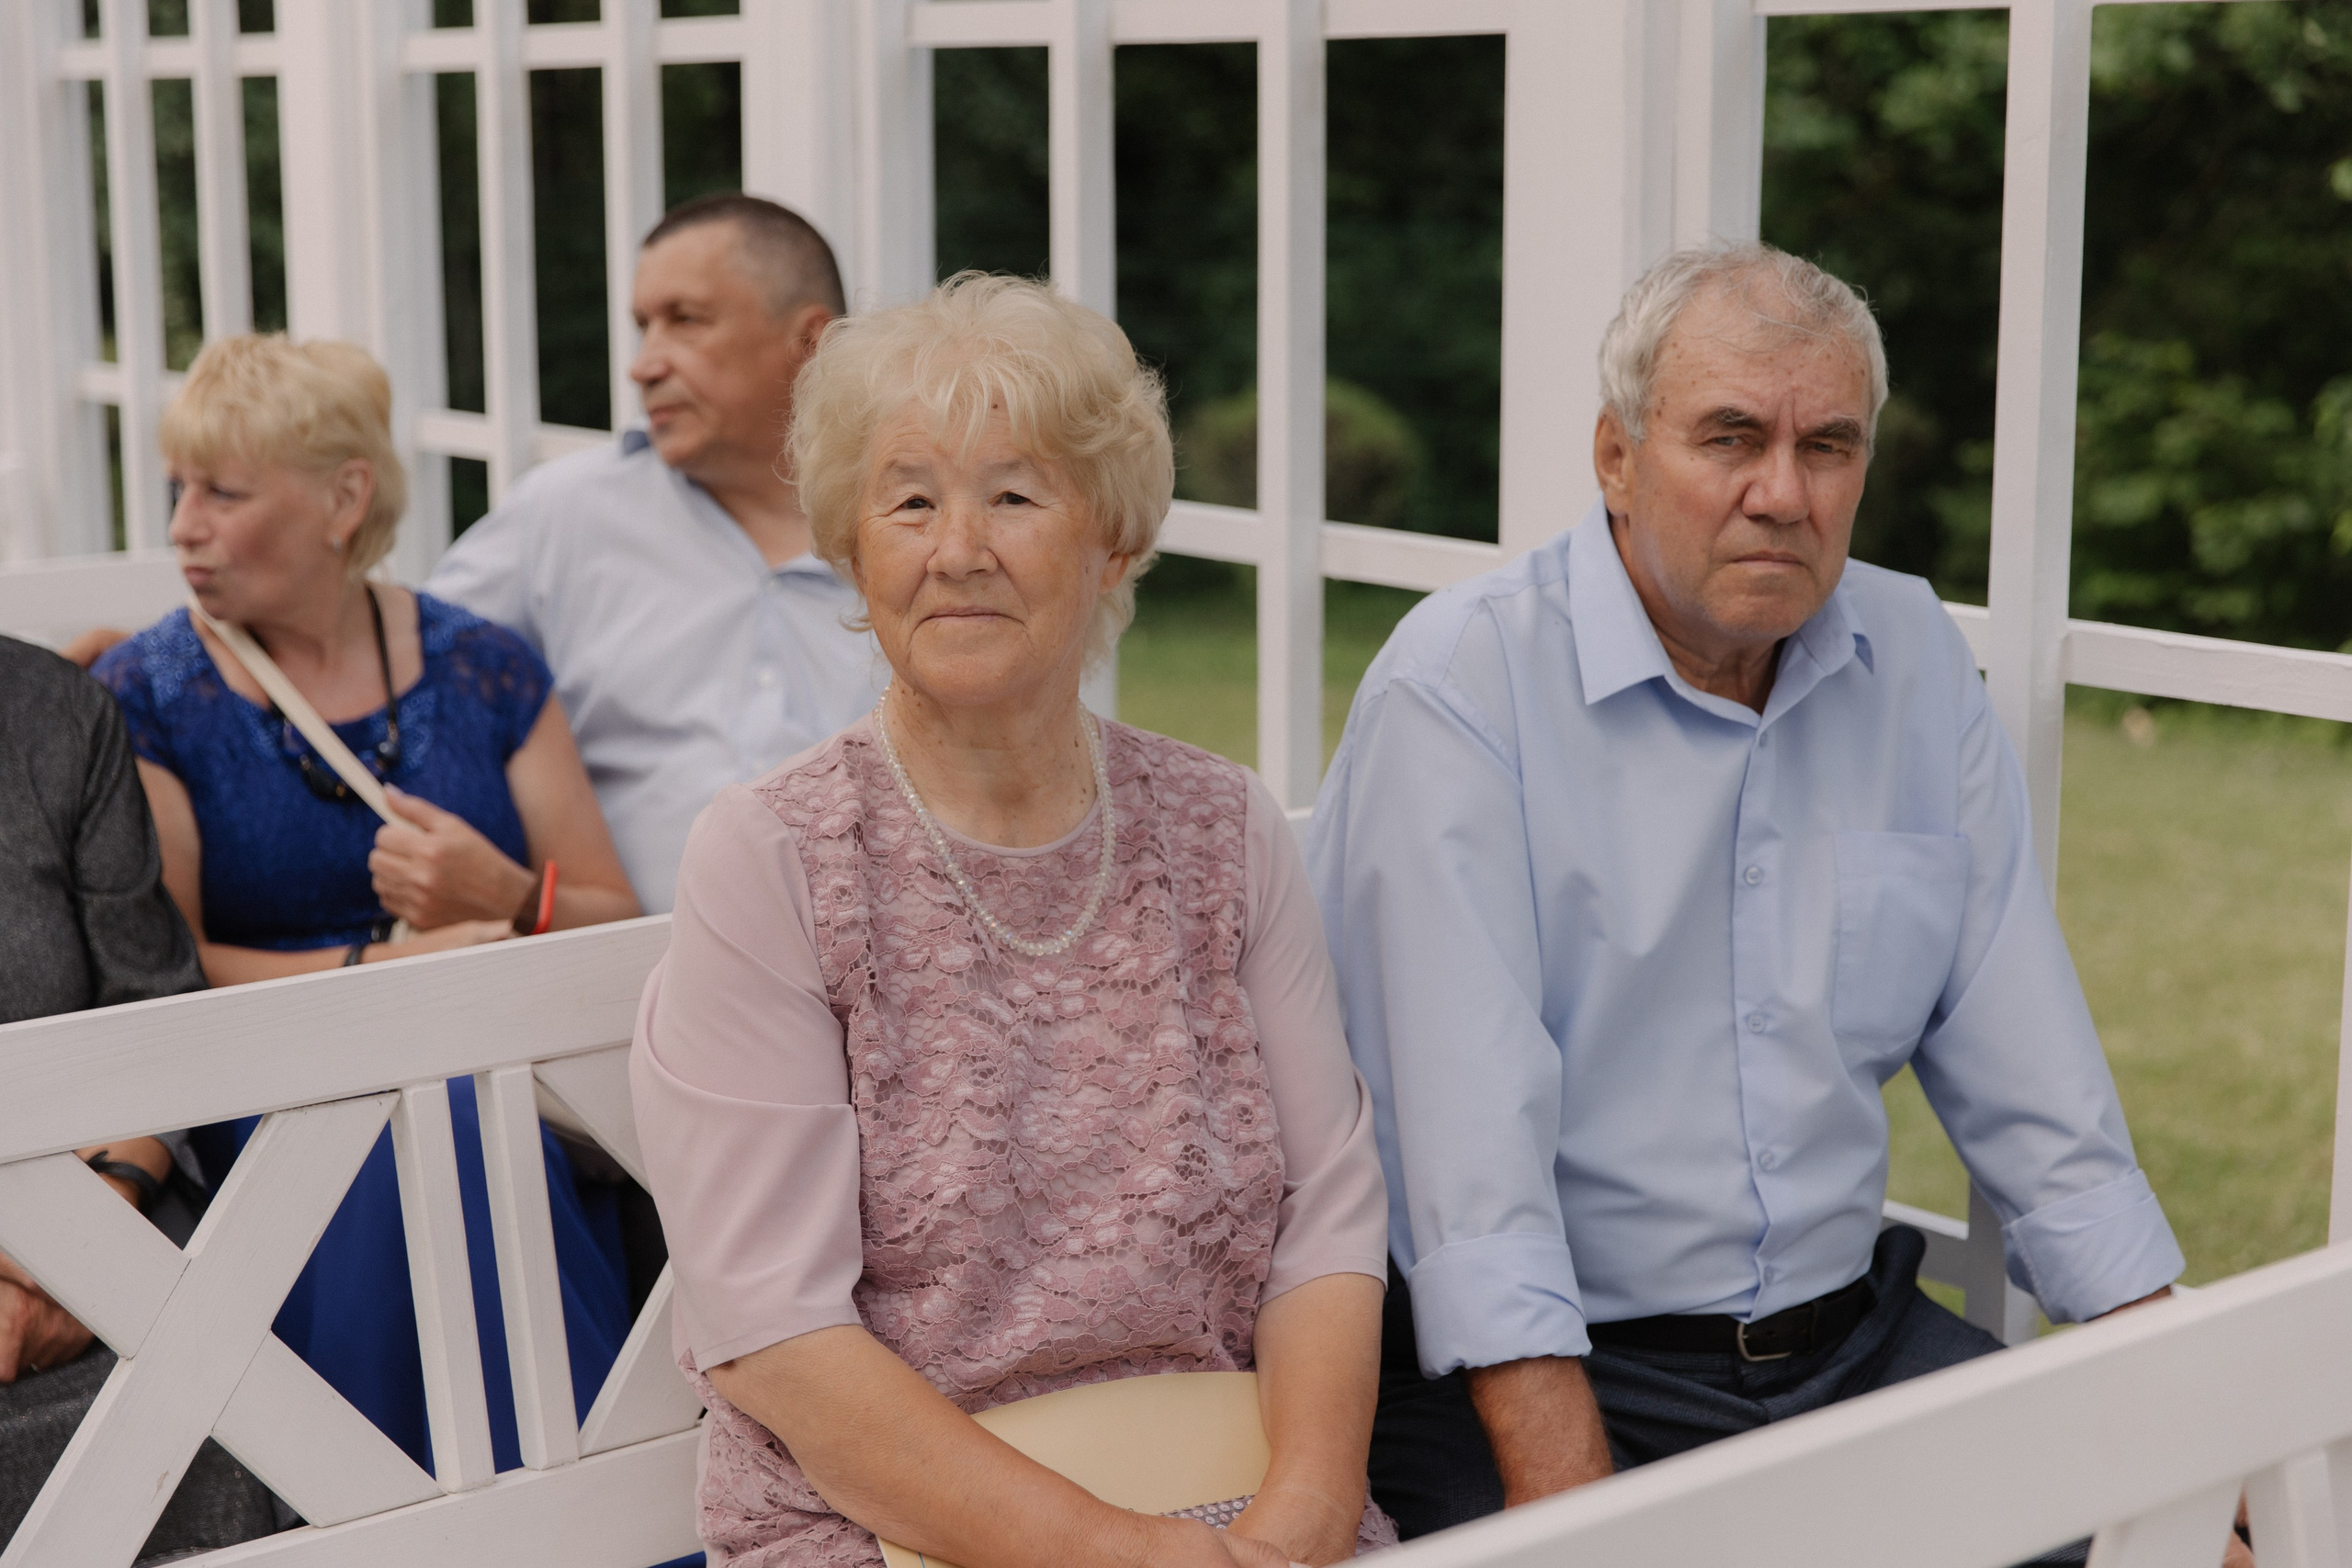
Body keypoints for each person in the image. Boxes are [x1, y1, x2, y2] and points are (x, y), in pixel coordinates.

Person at [1307, 243, 2223, 1565]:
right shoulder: (1464, 686)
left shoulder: (1911, 658)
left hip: (1856, 1350)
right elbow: (1467, 1164)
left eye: (1828, 446)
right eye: (1729, 437)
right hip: (1553, 1372)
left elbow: (2040, 1100)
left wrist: (2192, 1424)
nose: (1782, 493)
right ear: (1616, 458)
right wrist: (1576, 1512)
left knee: (2202, 1550)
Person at [630, 274, 1396, 1567]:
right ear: (854, 549)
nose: (958, 547)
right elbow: (775, 1333)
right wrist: (1128, 1554)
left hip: (1233, 1488)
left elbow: (1327, 1216)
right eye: (911, 498)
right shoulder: (775, 856)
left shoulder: (1219, 825)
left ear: (1115, 543)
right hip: (881, 1523)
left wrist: (1308, 1516)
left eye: (1017, 494)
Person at [91, 333, 639, 1475]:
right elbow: (169, 960)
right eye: (178, 489)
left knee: (456, 1117)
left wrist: (506, 894)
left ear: (344, 500)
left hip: (497, 1088)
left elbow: (615, 920)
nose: (183, 525)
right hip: (265, 1088)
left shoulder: (481, 668)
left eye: (223, 492)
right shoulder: (146, 694)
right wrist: (370, 981)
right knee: (412, 1132)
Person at [427, 192, 888, 916]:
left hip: (875, 1001)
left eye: (686, 320)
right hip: (606, 998)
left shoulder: (916, 530)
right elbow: (399, 679)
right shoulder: (564, 514)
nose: (642, 366)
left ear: (811, 342)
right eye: (643, 327)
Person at [0, 636, 278, 1560]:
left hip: (91, 1216)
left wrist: (87, 1258)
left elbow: (155, 1008)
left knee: (208, 1385)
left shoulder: (57, 711)